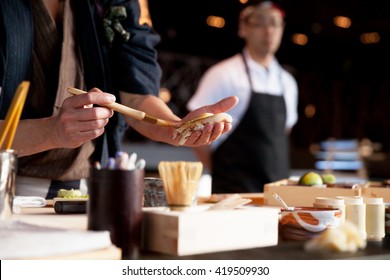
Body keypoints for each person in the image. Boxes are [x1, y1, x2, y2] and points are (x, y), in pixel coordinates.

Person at [0, 0, 238, 199]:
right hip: (8, 191)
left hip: (88, 192)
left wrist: (175, 128)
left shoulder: (113, 1)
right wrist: (51, 131)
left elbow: (136, 95)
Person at [187, 0, 298, 193]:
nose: (268, 30)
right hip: (233, 191)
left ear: (282, 29)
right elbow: (196, 130)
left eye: (274, 23)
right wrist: (223, 172)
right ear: (243, 28)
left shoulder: (288, 82)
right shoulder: (223, 74)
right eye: (259, 23)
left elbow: (283, 133)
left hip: (277, 194)